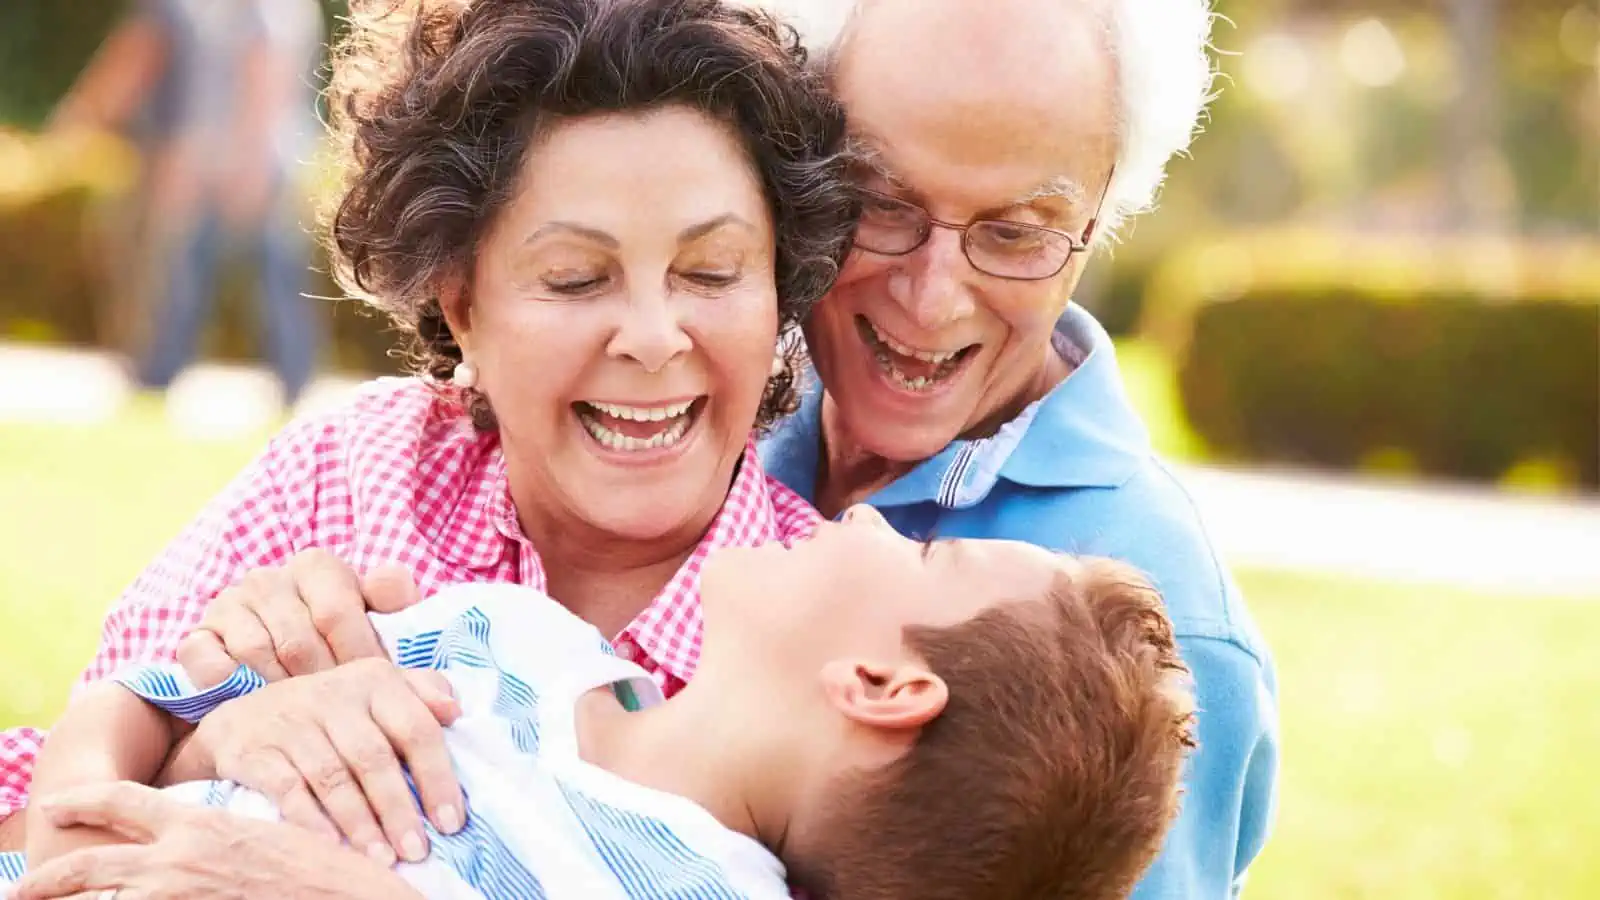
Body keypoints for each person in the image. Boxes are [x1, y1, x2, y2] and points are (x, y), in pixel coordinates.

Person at [0, 0, 855, 878]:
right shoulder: (353, 471)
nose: (652, 335)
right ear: (463, 308)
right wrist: (213, 746)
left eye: (711, 272)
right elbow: (32, 815)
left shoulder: (835, 638)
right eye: (574, 279)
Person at [751, 1, 1281, 897]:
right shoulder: (715, 409)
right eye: (878, 202)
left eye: (1014, 233)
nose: (930, 301)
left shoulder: (1157, 633)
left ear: (1100, 218)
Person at [7, 508, 1196, 900]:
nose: (879, 517)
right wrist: (77, 801)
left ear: (883, 687)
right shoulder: (503, 637)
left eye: (929, 555)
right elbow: (154, 699)